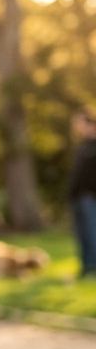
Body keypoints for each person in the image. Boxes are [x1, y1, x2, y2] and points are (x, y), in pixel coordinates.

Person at [71, 105, 96, 278]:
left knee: (92, 232)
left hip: (90, 197)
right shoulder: (82, 146)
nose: (76, 127)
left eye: (78, 123)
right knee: (81, 235)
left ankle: (93, 267)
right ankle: (85, 267)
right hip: (77, 197)